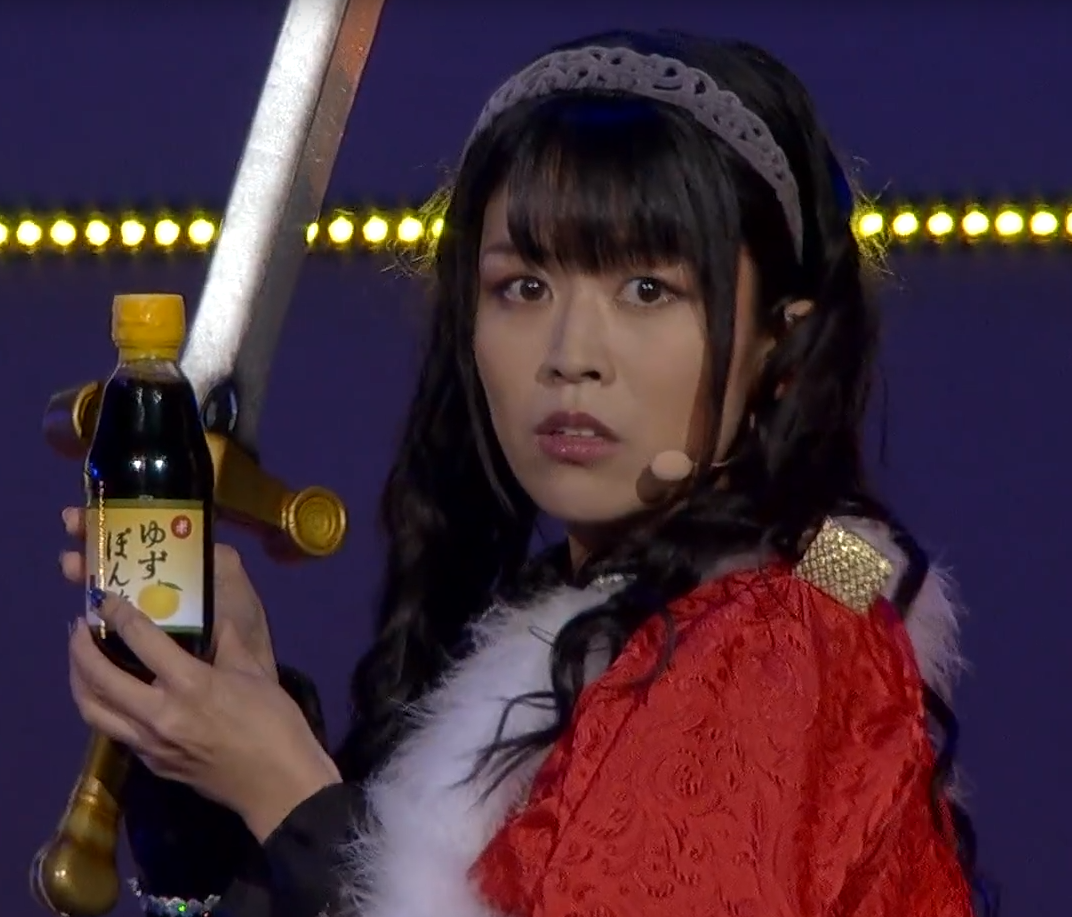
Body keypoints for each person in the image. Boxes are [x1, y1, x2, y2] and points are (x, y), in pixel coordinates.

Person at [61, 29, 986, 917]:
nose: (571, 353)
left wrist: (287, 793)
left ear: (780, 344)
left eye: (648, 290)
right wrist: (223, 756)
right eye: (524, 287)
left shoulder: (787, 631)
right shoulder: (586, 621)